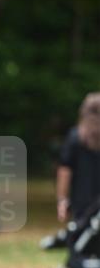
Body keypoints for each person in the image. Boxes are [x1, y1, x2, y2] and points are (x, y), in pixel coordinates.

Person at [57, 92, 100, 224]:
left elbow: (65, 170)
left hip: (84, 203)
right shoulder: (75, 138)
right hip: (85, 205)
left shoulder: (75, 137)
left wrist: (62, 200)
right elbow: (65, 170)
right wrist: (62, 200)